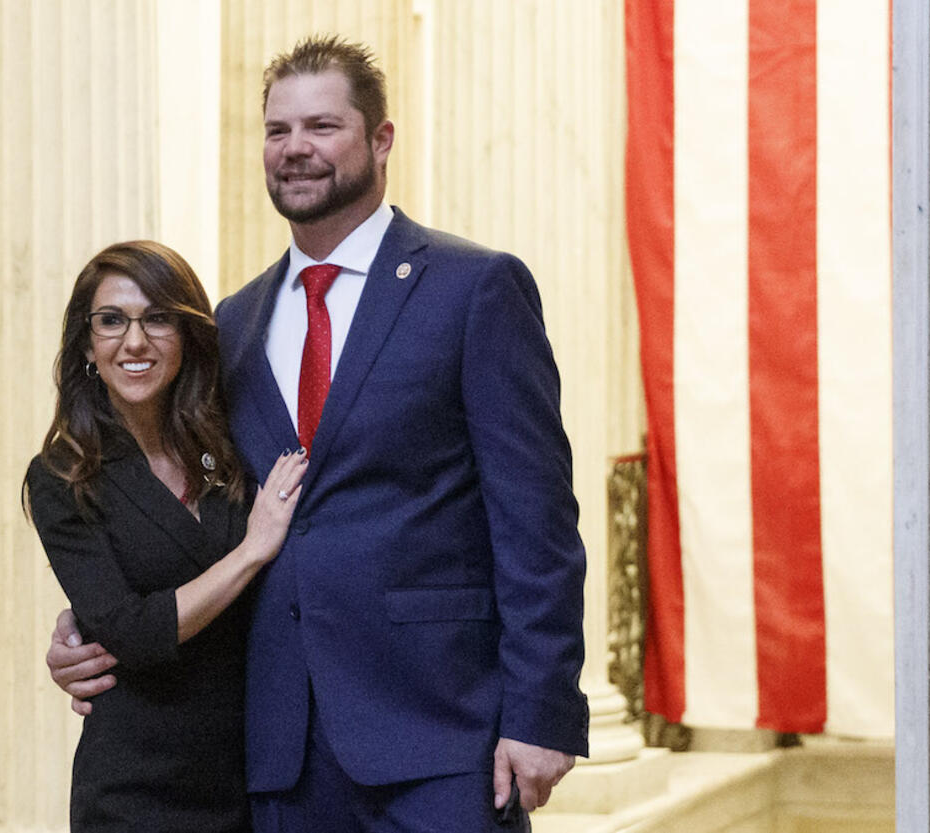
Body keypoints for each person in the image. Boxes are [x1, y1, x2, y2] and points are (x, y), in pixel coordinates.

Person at [49, 36, 589, 832]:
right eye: (277, 131)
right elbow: (189, 502)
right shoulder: (229, 326)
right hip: (280, 751)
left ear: (381, 139)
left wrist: (541, 710)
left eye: (322, 126)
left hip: (441, 735)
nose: (295, 149)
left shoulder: (474, 290)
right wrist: (98, 620)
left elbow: (536, 522)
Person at [24, 240, 309, 832]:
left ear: (187, 336)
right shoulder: (64, 475)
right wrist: (253, 550)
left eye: (157, 319)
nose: (135, 341)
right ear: (86, 344)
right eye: (111, 321)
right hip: (137, 790)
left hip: (249, 779)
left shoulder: (222, 448)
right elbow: (131, 632)